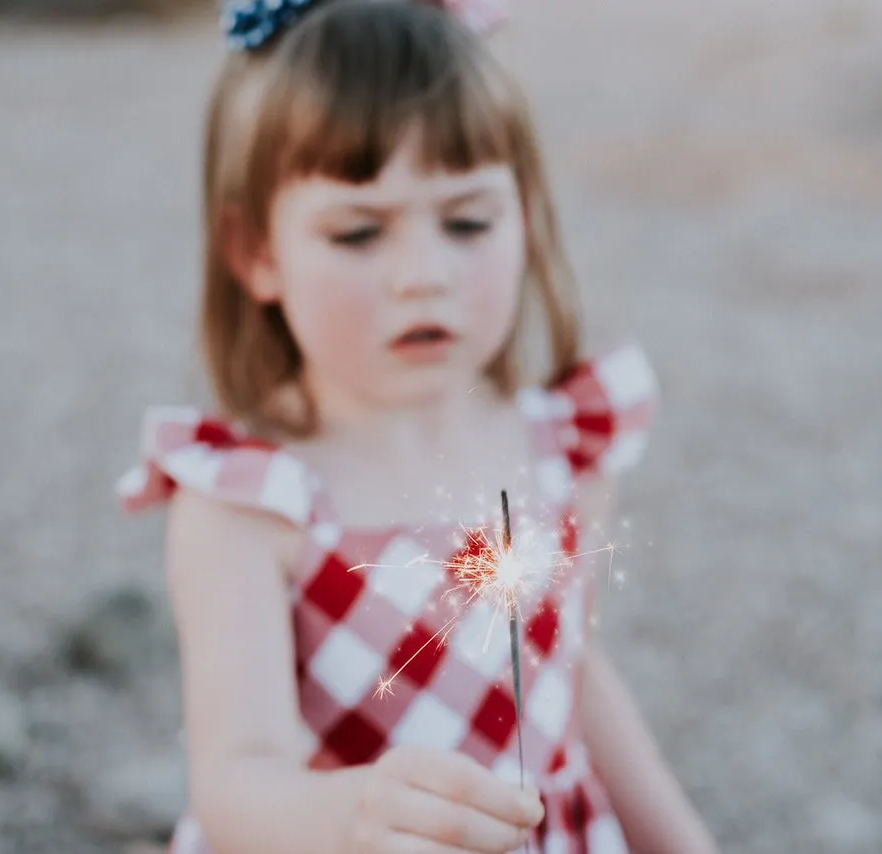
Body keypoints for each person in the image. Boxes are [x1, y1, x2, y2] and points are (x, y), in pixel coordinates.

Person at [116, 1, 719, 851]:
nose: (422, 275)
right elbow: (234, 781)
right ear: (255, 253)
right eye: (359, 232)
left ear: (524, 215)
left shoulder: (566, 445)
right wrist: (355, 815)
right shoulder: (248, 500)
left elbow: (572, 673)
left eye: (468, 221)